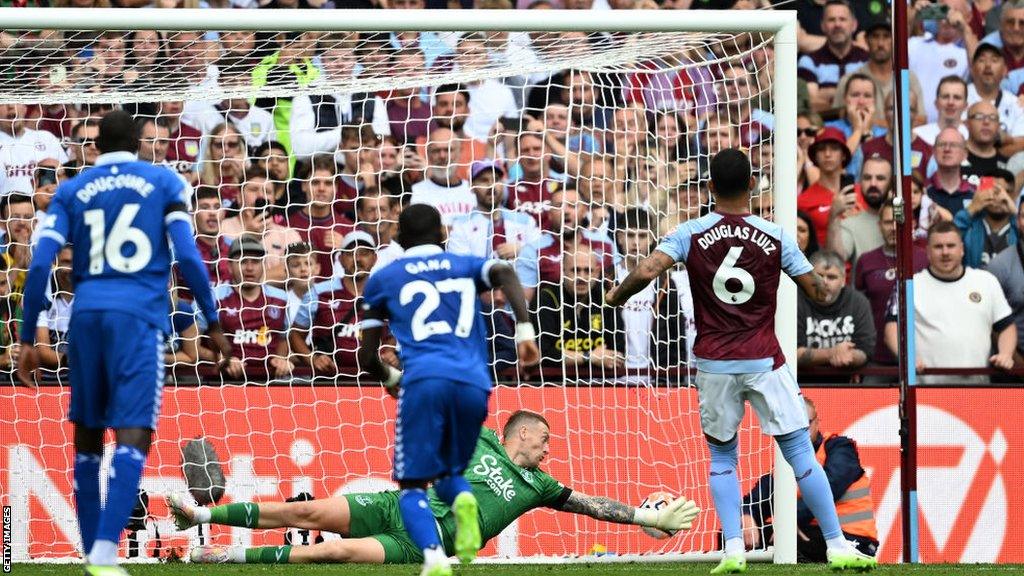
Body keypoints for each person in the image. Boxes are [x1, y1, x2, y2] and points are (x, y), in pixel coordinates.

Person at [605, 148, 877, 573]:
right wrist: (821, 291)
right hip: (765, 359)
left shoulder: (689, 232)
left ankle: (733, 548)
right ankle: (838, 544)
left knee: (722, 459)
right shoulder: (775, 235)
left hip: (713, 363)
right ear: (752, 185)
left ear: (710, 187)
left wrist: (614, 295)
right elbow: (817, 290)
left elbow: (646, 271)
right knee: (800, 453)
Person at [16, 110, 231, 576]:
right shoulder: (164, 182)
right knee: (135, 433)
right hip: (139, 318)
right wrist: (213, 320)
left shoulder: (72, 190)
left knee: (88, 440)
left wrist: (26, 335)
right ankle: (104, 552)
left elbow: (39, 266)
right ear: (138, 140)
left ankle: (93, 551)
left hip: (87, 318)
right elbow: (189, 257)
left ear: (94, 146)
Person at [169, 410, 700, 566]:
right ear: (524, 435)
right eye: (544, 441)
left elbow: (590, 507)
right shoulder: (483, 438)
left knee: (333, 553)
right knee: (298, 514)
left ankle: (219, 560)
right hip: (397, 505)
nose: (548, 450)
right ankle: (200, 518)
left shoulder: (542, 484)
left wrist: (644, 518)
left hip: (421, 544)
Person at [356, 204, 540, 576]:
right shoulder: (463, 264)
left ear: (399, 238)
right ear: (442, 233)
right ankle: (464, 498)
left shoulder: (383, 278)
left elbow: (367, 355)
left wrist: (392, 379)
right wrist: (524, 330)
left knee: (412, 484)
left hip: (424, 382)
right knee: (448, 473)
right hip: (474, 384)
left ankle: (435, 558)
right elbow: (504, 270)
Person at [740, 398, 879, 563]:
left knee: (793, 546)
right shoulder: (785, 461)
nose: (801, 431)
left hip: (852, 535)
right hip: (806, 530)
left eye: (805, 425)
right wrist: (747, 515)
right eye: (795, 426)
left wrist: (788, 522)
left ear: (817, 423)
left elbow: (830, 487)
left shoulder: (839, 448)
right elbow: (758, 498)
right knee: (733, 535)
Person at [884, 221, 1016, 385]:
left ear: (962, 249)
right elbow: (892, 327)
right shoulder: (910, 285)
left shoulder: (986, 281)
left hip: (978, 388)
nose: (945, 252)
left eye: (951, 246)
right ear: (928, 252)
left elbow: (1006, 327)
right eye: (938, 246)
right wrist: (906, 357)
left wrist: (1006, 353)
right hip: (925, 391)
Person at [796, 251, 875, 377]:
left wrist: (850, 356)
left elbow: (866, 350)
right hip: (802, 382)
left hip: (845, 382)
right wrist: (832, 353)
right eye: (819, 275)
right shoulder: (795, 302)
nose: (824, 282)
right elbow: (790, 353)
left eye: (831, 277)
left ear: (843, 280)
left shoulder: (858, 302)